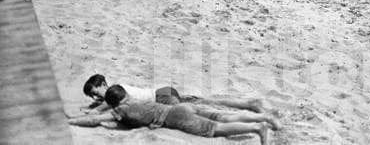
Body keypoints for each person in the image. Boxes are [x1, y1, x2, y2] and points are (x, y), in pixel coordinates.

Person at [67, 85, 276, 143]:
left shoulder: (119, 110)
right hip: (177, 107)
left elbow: (95, 119)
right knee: (222, 117)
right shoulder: (136, 99)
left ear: (112, 103)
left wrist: (73, 121)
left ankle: (257, 127)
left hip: (174, 117)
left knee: (216, 129)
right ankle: (262, 117)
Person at [82, 74, 265, 114]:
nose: (95, 97)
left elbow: (98, 110)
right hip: (164, 91)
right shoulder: (117, 88)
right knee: (206, 101)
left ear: (103, 84)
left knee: (202, 110)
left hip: (163, 97)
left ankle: (246, 109)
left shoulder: (112, 93)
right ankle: (248, 104)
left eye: (94, 92)